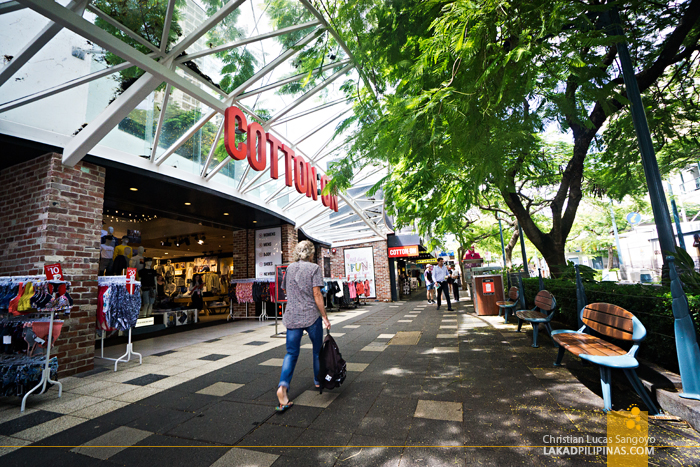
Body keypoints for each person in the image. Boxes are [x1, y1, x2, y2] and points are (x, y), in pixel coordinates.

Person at [277, 240, 331, 412]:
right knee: (317, 351)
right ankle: (317, 380)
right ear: (310, 253)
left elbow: (285, 289)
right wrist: (325, 316)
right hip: (310, 316)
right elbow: (317, 294)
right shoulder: (314, 268)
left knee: (291, 353)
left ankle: (283, 387)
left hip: (292, 316)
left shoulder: (289, 268)